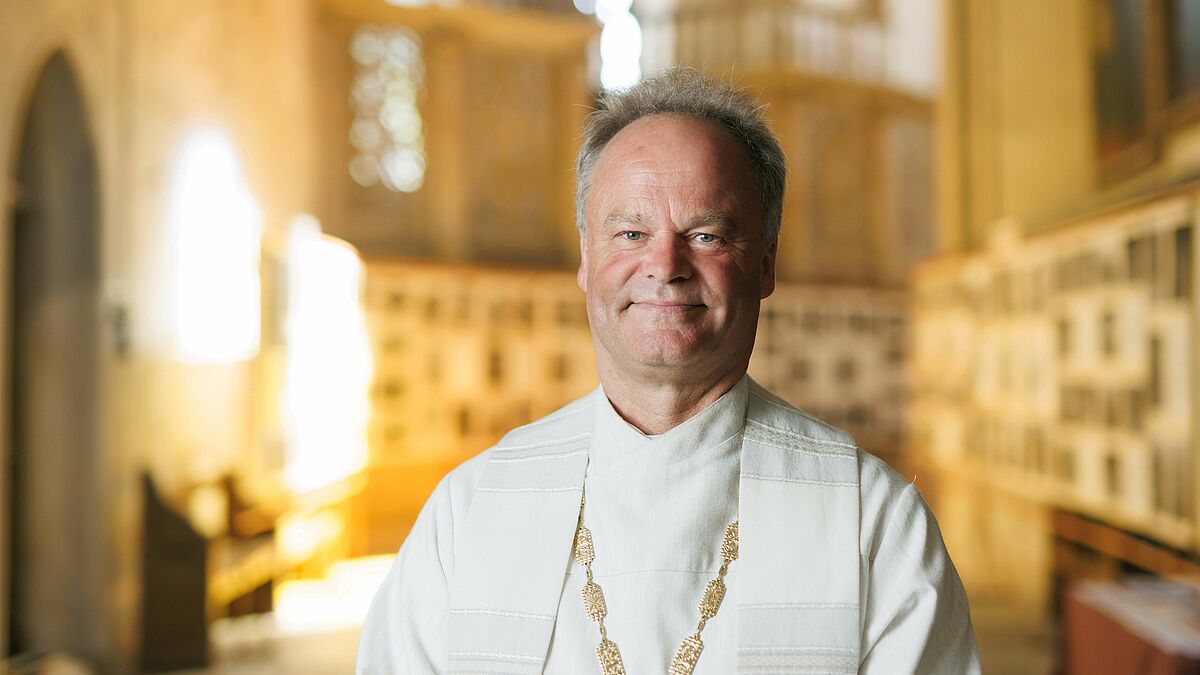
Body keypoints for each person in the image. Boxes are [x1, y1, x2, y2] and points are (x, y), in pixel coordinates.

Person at [357, 67, 980, 674]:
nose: (665, 265)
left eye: (706, 235)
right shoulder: (469, 513)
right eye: (630, 232)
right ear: (585, 258)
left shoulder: (872, 521)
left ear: (764, 264)